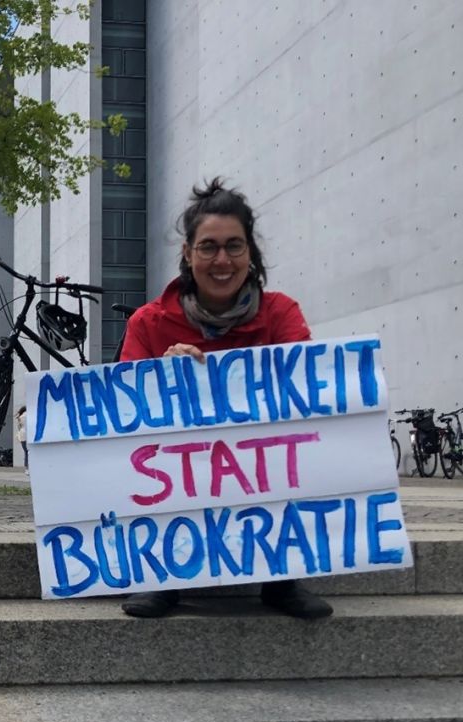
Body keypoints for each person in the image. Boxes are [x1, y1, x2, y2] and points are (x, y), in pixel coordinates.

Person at [118, 177, 332, 621]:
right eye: (208, 247)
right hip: (179, 472)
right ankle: (163, 573)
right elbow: (123, 416)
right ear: (187, 253)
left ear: (250, 253)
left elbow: (309, 394)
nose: (222, 260)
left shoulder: (281, 314)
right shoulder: (149, 323)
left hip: (261, 473)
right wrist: (162, 378)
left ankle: (282, 575)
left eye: (234, 246)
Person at [16, 405, 28, 472]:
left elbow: (19, 428)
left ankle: (27, 468)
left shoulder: (20, 417)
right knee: (29, 452)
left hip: (22, 436)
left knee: (26, 452)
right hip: (28, 435)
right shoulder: (28, 415)